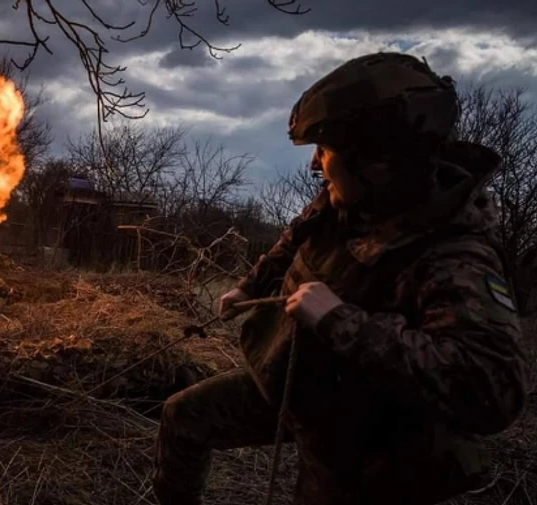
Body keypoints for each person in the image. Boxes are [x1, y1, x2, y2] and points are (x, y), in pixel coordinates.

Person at [151, 52, 530, 505]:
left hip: (369, 448)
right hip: (299, 385)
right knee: (184, 416)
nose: (315, 164)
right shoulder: (348, 200)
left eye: (326, 150)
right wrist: (251, 285)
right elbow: (295, 237)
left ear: (377, 164)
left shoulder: (455, 256)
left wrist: (339, 321)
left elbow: (493, 392)